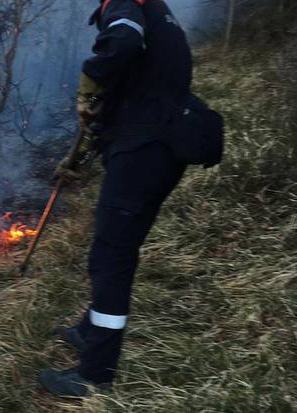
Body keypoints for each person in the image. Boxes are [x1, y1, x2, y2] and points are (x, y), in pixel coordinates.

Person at [39, 0, 192, 398]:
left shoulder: (126, 5)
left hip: (146, 149)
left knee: (111, 257)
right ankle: (90, 331)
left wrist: (91, 77)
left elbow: (121, 43)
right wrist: (86, 150)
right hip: (161, 144)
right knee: (117, 248)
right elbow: (138, 85)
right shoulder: (156, 10)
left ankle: (95, 376)